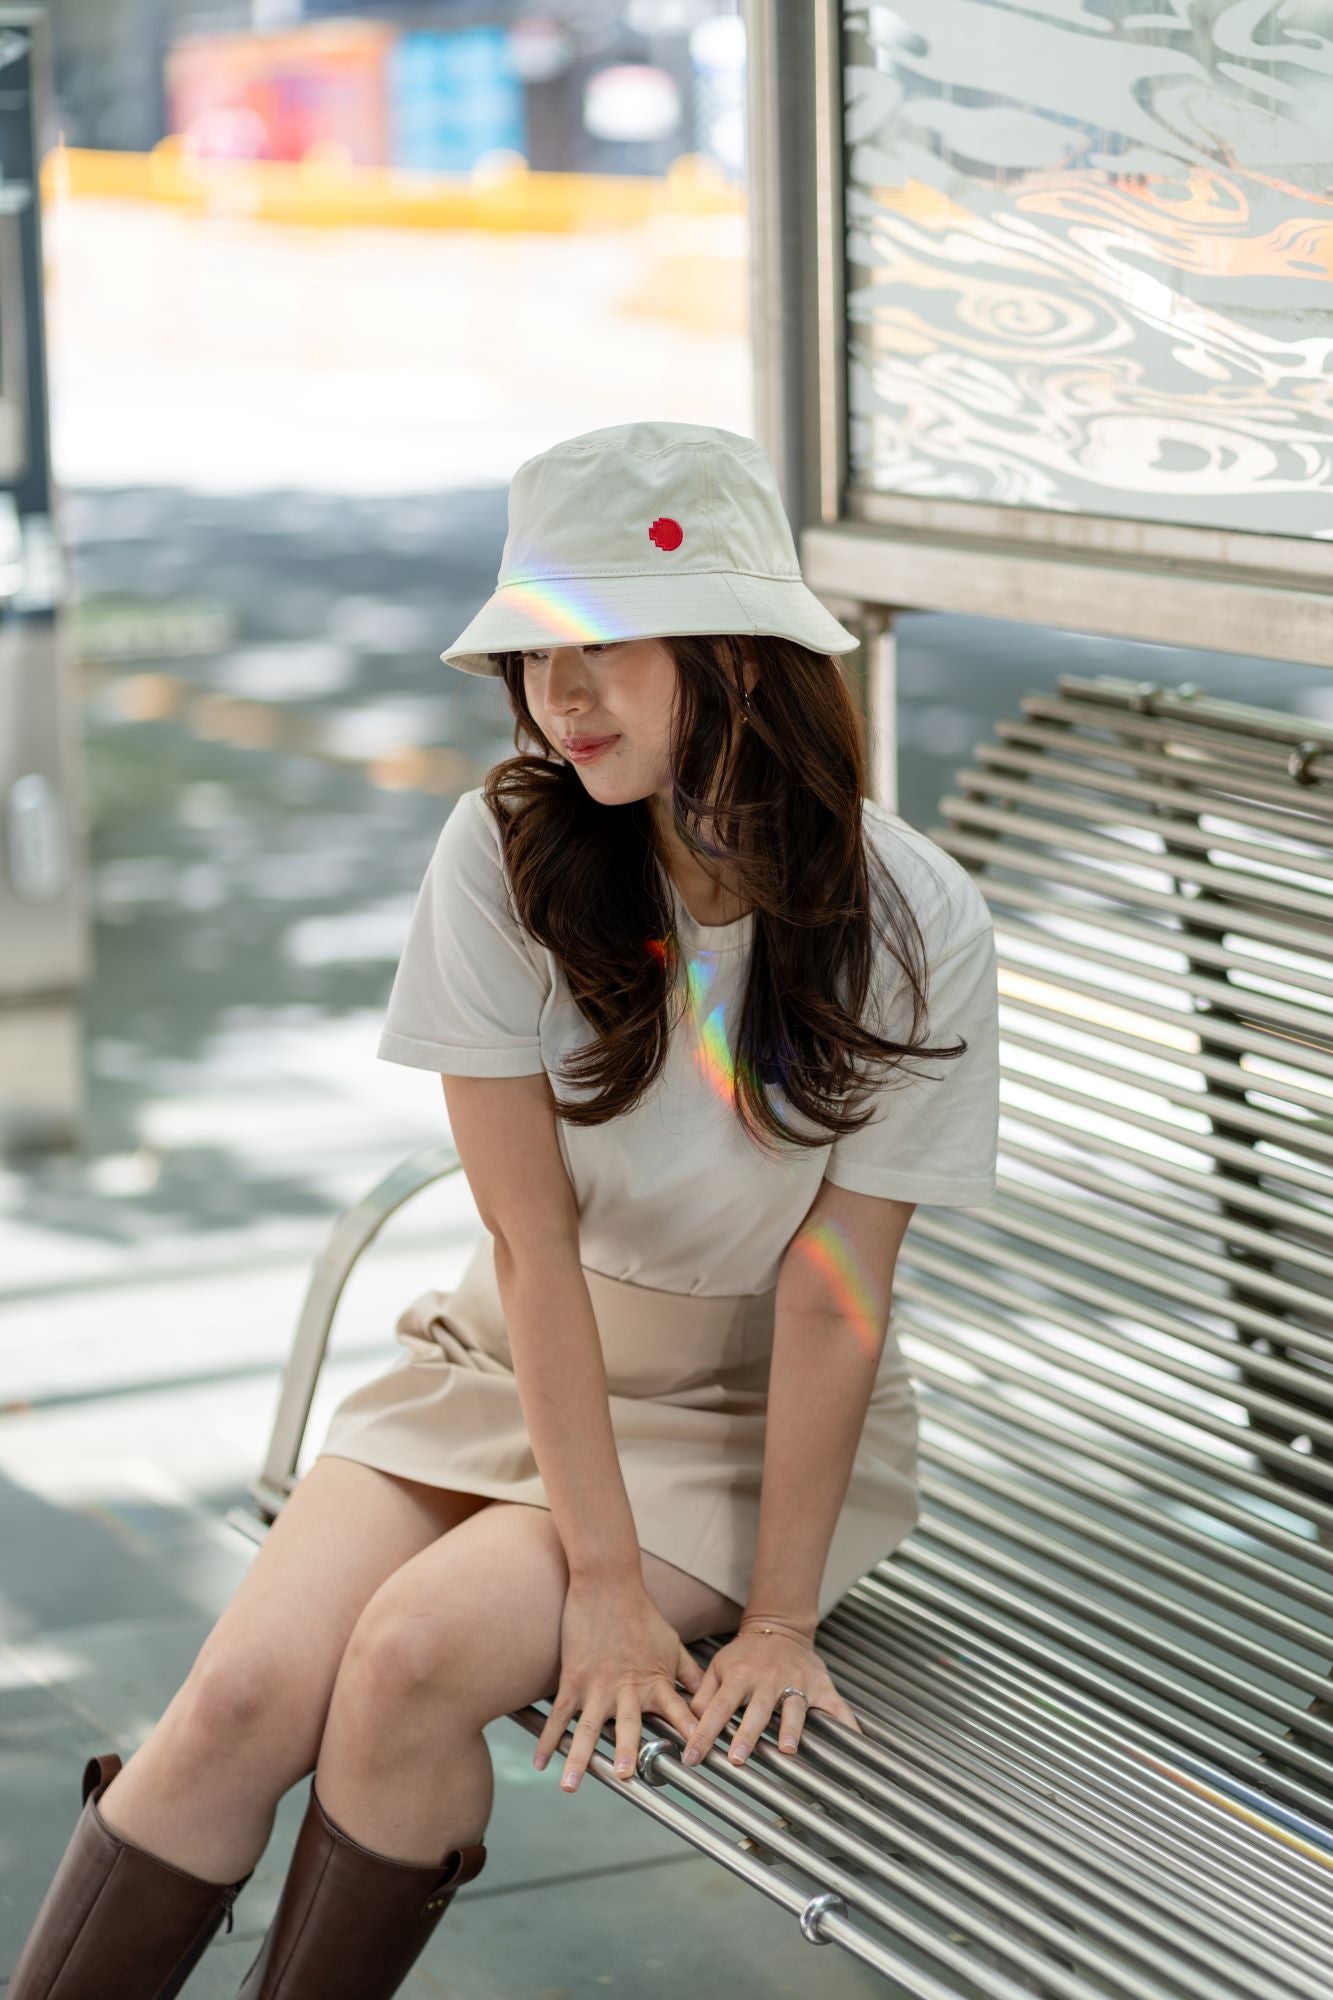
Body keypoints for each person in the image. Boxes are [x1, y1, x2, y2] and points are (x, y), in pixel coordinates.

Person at [9, 420, 999, 1999]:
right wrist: (596, 1584)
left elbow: (834, 1292)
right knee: (238, 1697)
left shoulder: (912, 914)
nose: (560, 696)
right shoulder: (507, 854)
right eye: (536, 653)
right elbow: (529, 1248)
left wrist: (781, 1618)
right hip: (508, 1359)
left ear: (737, 657)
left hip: (737, 1416)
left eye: (603, 647)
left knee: (405, 1659)